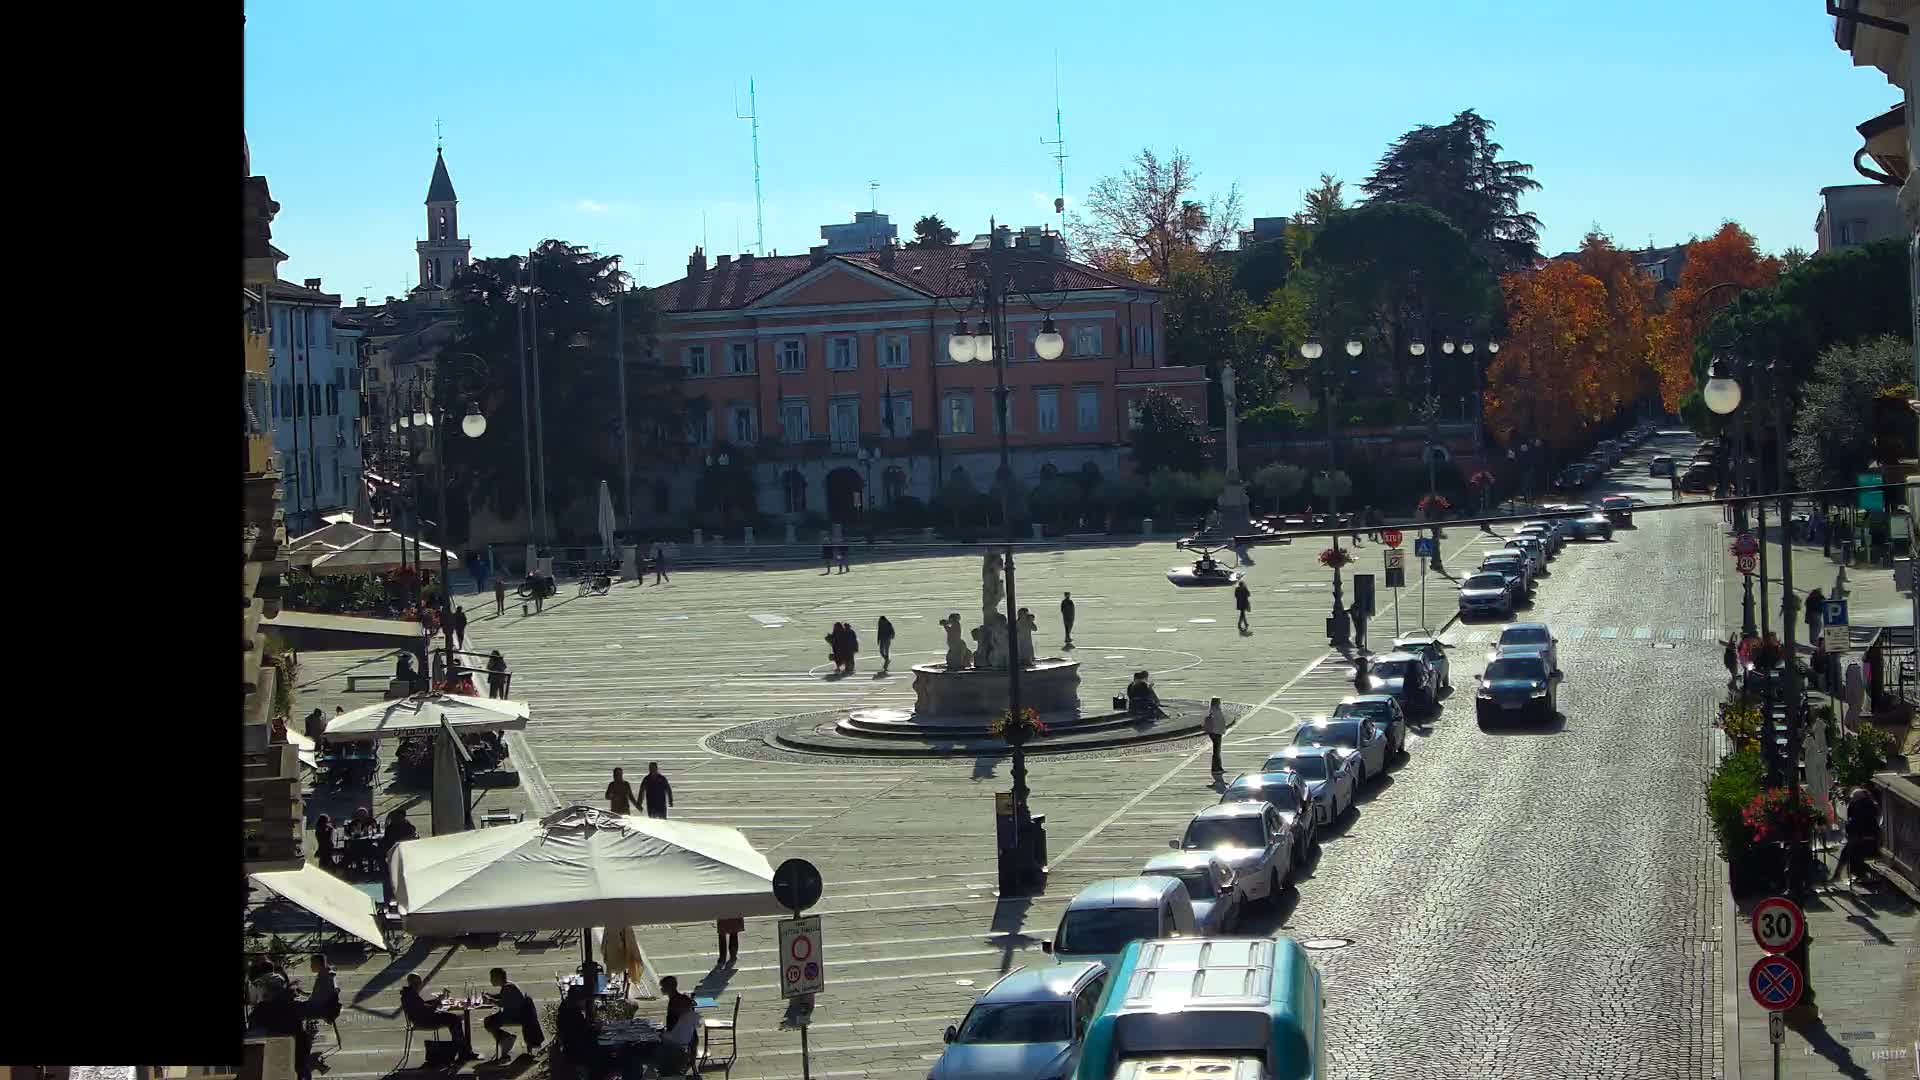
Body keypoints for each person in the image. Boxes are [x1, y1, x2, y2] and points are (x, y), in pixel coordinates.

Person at [400, 973, 476, 1060]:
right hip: (424, 1021)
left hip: (422, 1019)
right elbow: (425, 1010)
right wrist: (436, 1004)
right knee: (454, 1019)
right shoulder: (410, 996)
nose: (419, 985)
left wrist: (436, 1001)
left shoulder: (408, 994)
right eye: (417, 983)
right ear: (412, 983)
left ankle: (463, 1051)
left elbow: (422, 1006)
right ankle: (464, 1052)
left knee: (453, 1018)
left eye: (419, 982)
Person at [1836, 786, 1883, 887]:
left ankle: (1858, 874)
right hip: (1863, 836)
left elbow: (1858, 823)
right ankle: (1841, 874)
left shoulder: (1865, 806)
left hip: (1868, 839)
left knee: (1852, 851)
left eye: (1854, 798)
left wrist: (1852, 831)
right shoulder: (1867, 805)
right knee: (1849, 850)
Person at [482, 967, 530, 1061]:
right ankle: (505, 1040)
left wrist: (490, 1000)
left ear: (498, 978)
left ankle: (506, 1039)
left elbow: (503, 1003)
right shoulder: (508, 985)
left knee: (489, 1022)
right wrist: (491, 995)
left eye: (492, 978)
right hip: (513, 1013)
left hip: (514, 1016)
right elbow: (502, 997)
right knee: (489, 1021)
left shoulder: (508, 987)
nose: (491, 980)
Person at [1202, 697, 1227, 778]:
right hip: (1215, 733)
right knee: (1216, 752)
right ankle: (1215, 769)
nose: (1220, 703)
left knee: (1217, 752)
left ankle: (1219, 767)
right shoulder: (1213, 711)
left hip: (1218, 732)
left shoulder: (1216, 709)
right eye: (1219, 701)